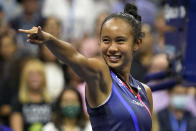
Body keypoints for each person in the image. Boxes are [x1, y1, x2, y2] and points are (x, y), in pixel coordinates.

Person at [19, 3, 153, 131]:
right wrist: (49, 40)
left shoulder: (145, 91)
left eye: (120, 40)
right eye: (106, 40)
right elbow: (74, 57)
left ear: (137, 43)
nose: (112, 48)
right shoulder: (101, 75)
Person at [10, 59, 52, 131]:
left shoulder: (50, 101)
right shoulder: (18, 100)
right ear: (25, 78)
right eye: (31, 75)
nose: (34, 78)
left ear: (44, 78)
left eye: (38, 74)